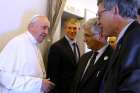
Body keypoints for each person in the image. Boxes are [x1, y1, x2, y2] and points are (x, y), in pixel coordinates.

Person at [0, 15, 55, 93]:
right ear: (31, 27)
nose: (46, 32)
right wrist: (39, 84)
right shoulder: (17, 42)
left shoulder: (34, 45)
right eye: (44, 27)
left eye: (47, 29)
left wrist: (42, 82)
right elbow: (3, 77)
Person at [97, 0, 140, 93]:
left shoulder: (136, 39)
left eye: (99, 15)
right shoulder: (126, 39)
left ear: (115, 10)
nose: (98, 22)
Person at [69, 18, 113, 93]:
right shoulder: (84, 57)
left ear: (101, 35)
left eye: (87, 35)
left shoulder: (113, 58)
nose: (84, 40)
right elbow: (74, 85)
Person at [47, 17, 81, 93]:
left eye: (75, 28)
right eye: (69, 28)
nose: (72, 31)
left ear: (79, 29)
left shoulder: (77, 46)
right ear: (65, 29)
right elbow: (52, 75)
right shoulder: (56, 47)